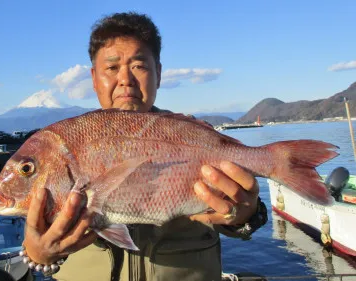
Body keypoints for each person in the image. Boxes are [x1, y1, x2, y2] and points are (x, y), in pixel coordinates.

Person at [22, 12, 267, 281]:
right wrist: (37, 254)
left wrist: (248, 213)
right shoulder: (69, 143)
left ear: (158, 74)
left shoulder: (195, 135)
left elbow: (240, 219)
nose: (125, 79)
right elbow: (38, 244)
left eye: (139, 65)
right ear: (94, 78)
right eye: (112, 68)